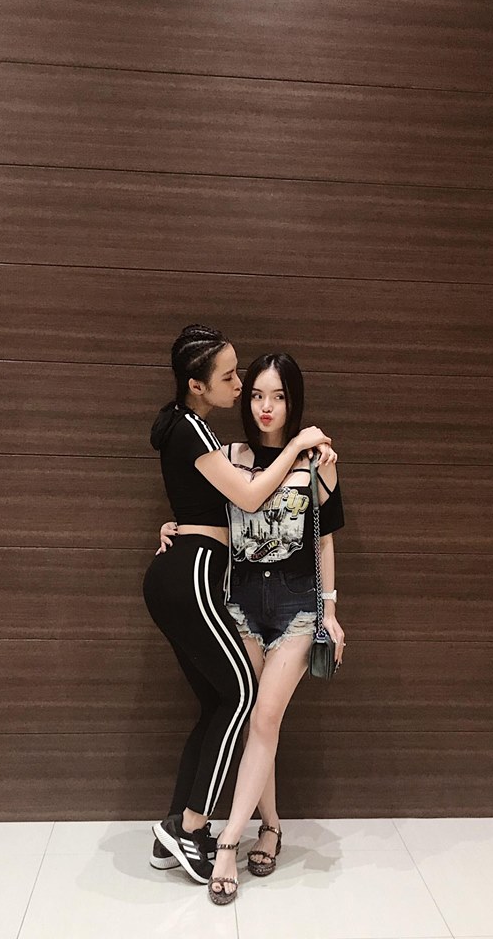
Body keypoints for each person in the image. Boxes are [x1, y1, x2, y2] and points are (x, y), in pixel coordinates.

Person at [143, 326, 332, 886]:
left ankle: (185, 829)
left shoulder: (204, 432)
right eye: (236, 381)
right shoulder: (204, 435)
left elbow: (323, 535)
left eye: (275, 394)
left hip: (269, 595)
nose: (246, 390)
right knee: (242, 697)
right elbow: (242, 495)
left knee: (225, 705)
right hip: (210, 582)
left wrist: (329, 608)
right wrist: (297, 447)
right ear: (197, 386)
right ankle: (196, 827)